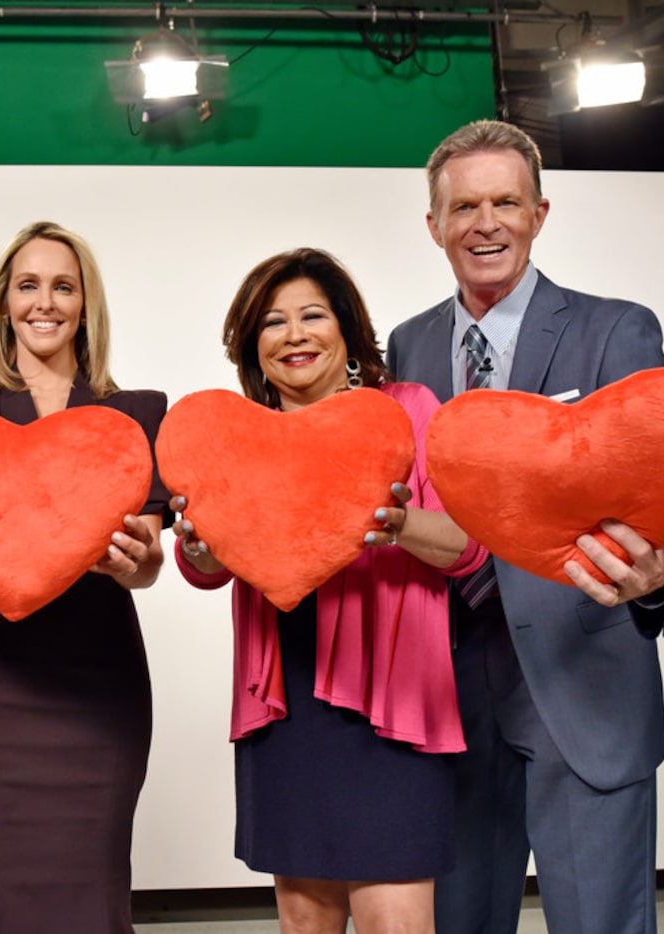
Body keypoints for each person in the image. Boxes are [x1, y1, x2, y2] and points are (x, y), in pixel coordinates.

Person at [386, 120, 664, 934]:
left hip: (579, 677)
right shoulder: (410, 343)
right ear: (434, 226)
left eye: (505, 202)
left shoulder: (614, 330)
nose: (484, 222)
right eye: (463, 207)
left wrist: (660, 573)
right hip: (449, 693)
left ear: (540, 213)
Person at [172, 248, 489, 934]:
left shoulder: (406, 410)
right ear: (254, 346)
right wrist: (199, 546)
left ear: (346, 329)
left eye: (313, 315)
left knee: (397, 922)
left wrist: (396, 524)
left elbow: (468, 546)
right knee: (305, 923)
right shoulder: (243, 436)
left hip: (393, 709)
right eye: (273, 323)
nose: (295, 334)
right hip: (287, 707)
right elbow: (202, 567)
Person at [0, 221, 169, 933]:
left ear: (86, 304)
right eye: (28, 285)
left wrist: (141, 568)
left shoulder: (134, 416)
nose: (44, 302)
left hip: (98, 684)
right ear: (4, 301)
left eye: (63, 286)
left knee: (92, 886)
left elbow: (147, 561)